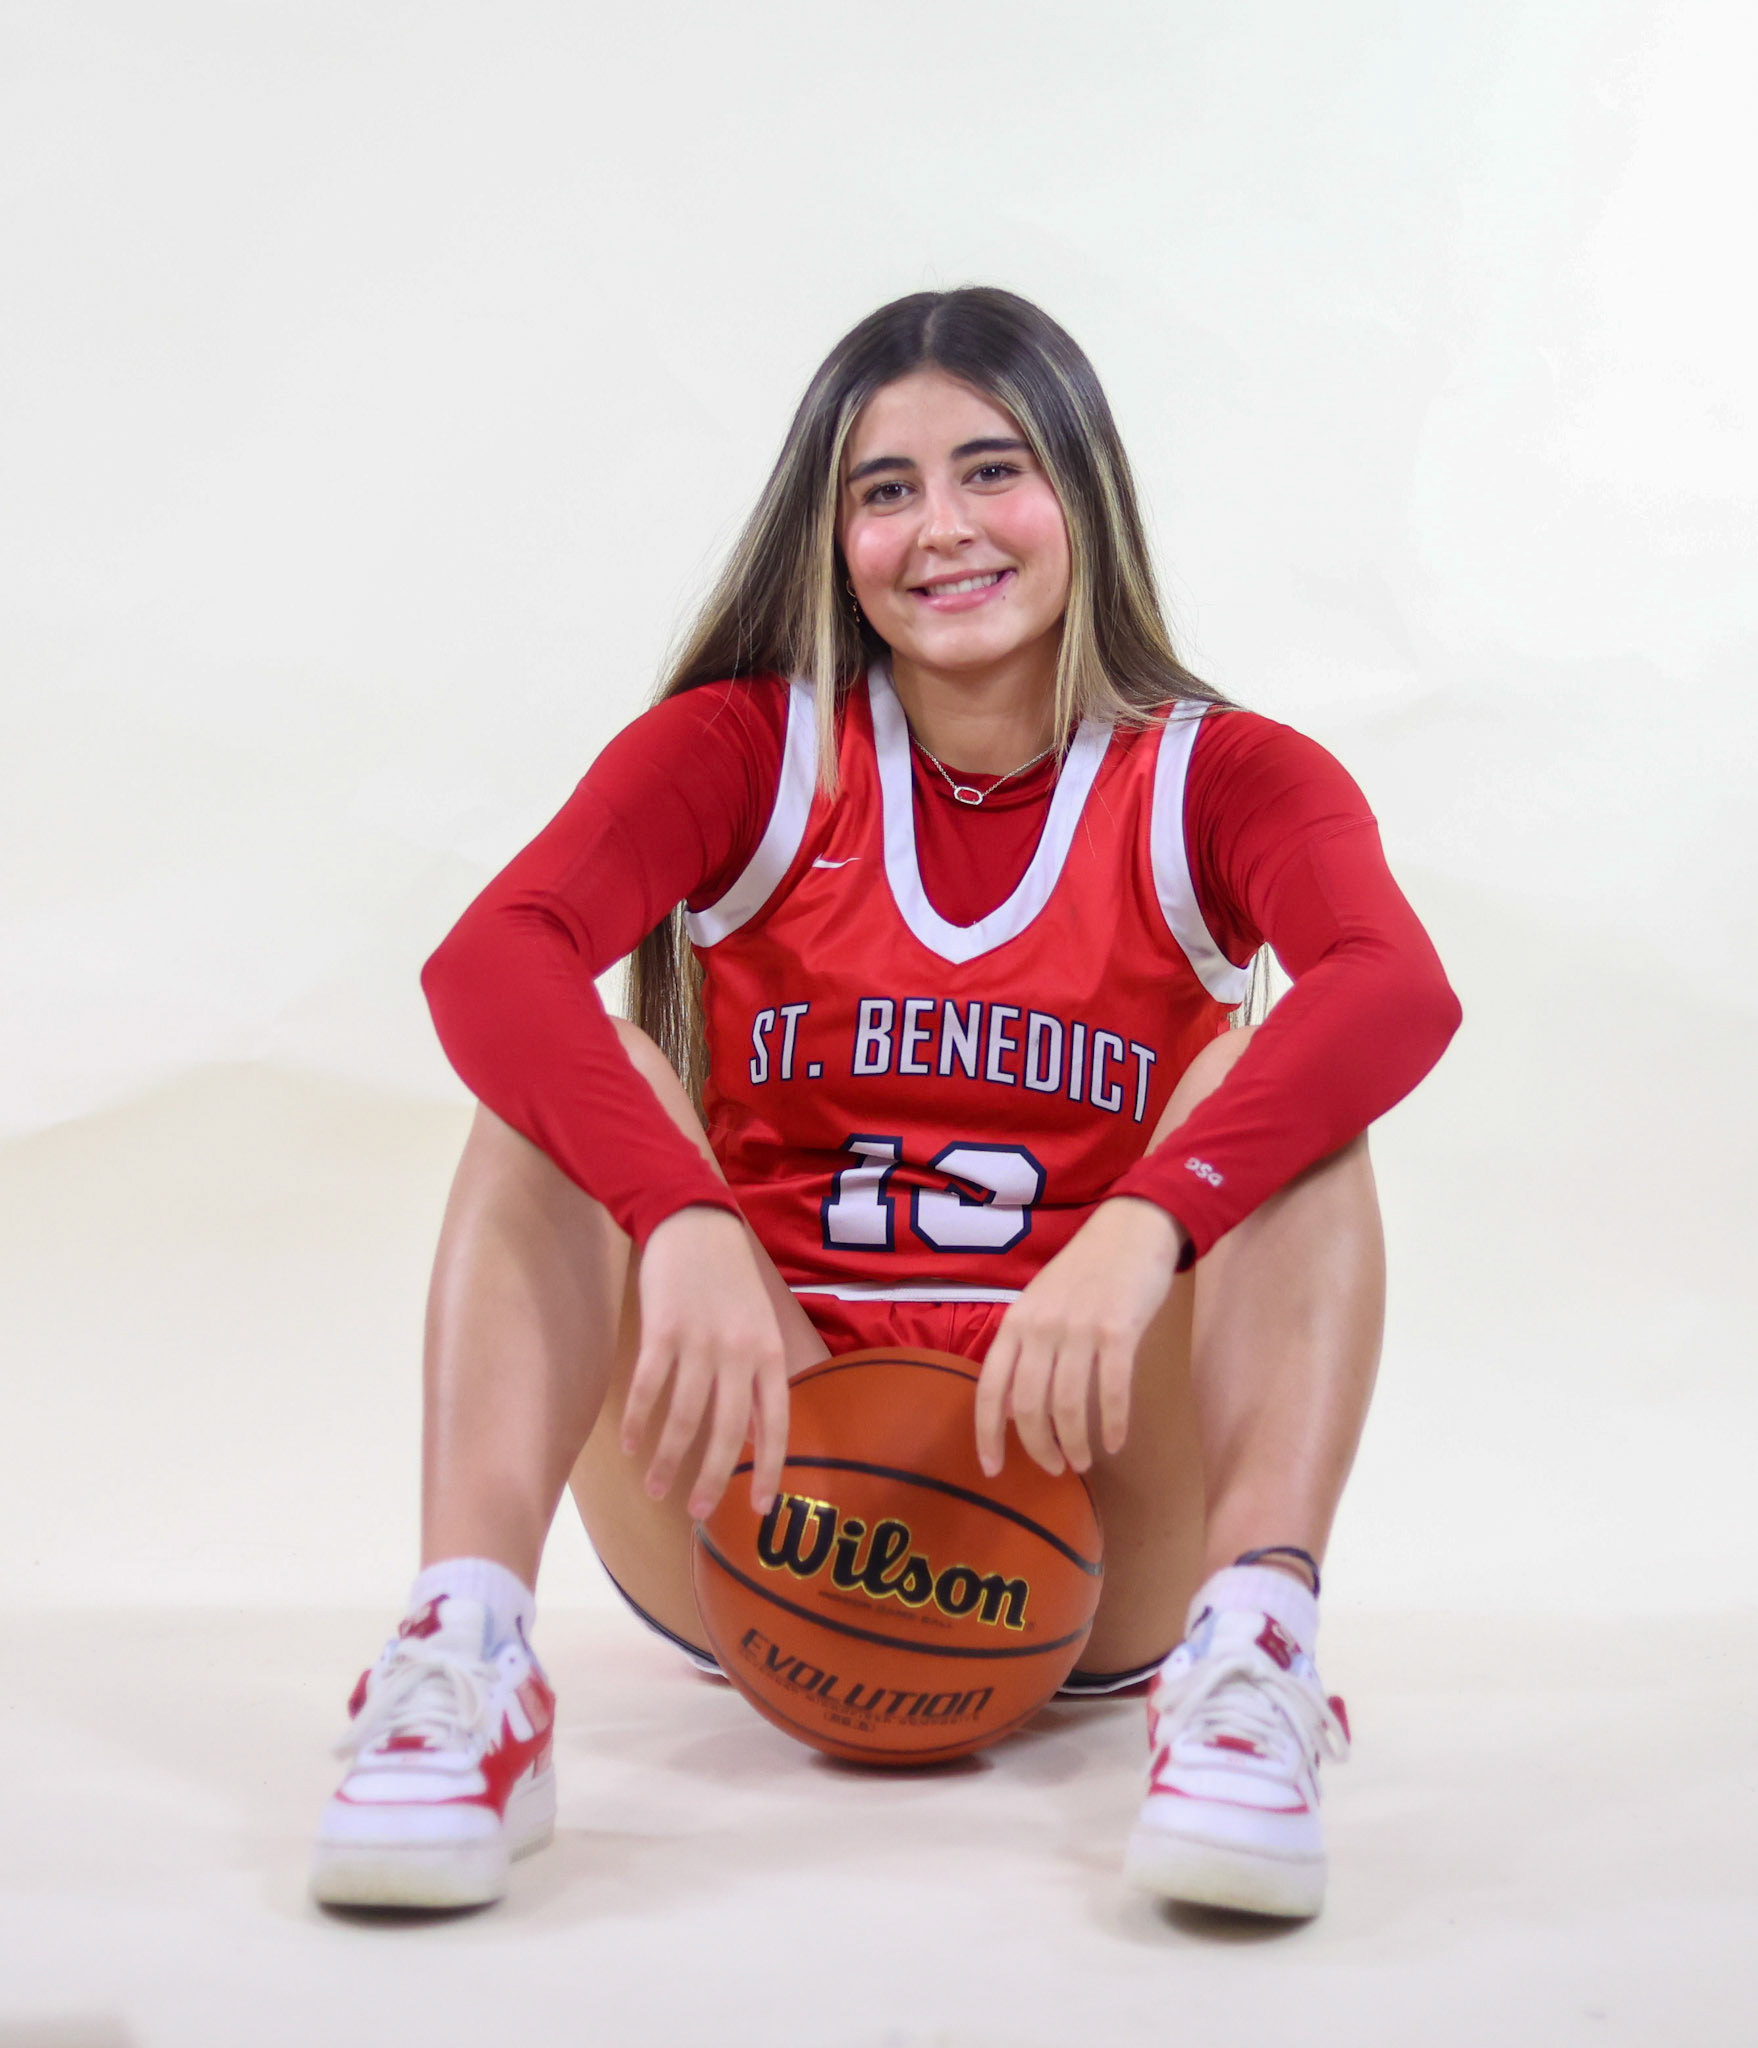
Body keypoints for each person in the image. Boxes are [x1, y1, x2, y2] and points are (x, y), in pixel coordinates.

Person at [309, 288, 1459, 1920]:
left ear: (1083, 493)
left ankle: (1248, 1661)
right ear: (830, 533)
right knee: (568, 1081)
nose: (941, 530)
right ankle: (466, 1657)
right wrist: (684, 1212)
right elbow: (485, 961)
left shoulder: (1224, 778)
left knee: (1283, 1086)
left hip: (1084, 1465)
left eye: (992, 471)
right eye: (883, 489)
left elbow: (1394, 988)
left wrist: (1142, 1223)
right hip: (751, 1463)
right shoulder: (740, 751)